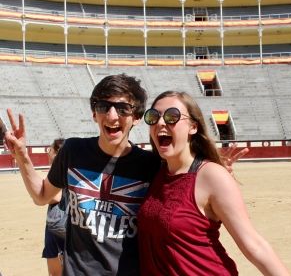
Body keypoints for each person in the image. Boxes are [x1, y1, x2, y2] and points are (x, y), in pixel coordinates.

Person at [4, 74, 246, 275]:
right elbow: (42, 195)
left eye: (122, 108)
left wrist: (211, 171)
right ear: (94, 114)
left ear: (137, 118)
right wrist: (23, 157)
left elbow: (188, 189)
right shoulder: (73, 151)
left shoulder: (152, 165)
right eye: (103, 106)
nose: (112, 116)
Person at [137, 91, 290, 276]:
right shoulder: (155, 172)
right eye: (153, 117)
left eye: (172, 116)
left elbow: (254, 245)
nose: (160, 123)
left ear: (193, 127)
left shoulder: (211, 176)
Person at [42, 138, 65, 276]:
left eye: (50, 149)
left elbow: (54, 197)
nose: (47, 152)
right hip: (59, 222)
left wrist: (41, 197)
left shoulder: (58, 172)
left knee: (56, 272)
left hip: (58, 225)